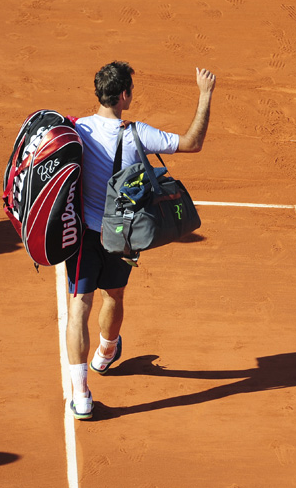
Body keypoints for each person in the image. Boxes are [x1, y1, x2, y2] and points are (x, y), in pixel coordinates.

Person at [65, 61, 216, 419]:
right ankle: (106, 352)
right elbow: (192, 143)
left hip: (83, 235)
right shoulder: (139, 134)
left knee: (79, 308)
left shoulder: (78, 131)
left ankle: (82, 395)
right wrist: (205, 94)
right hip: (122, 236)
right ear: (124, 96)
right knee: (114, 295)